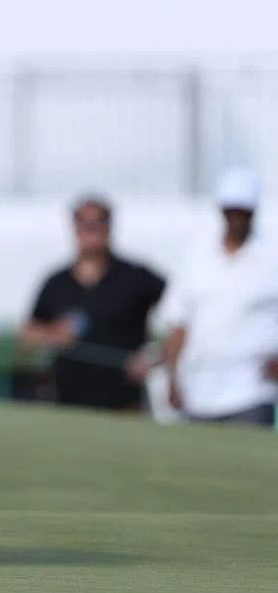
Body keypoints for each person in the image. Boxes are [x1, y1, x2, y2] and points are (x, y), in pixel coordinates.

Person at [19, 195, 167, 411]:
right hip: (67, 404)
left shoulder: (136, 278)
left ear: (109, 227)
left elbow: (183, 314)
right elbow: (27, 334)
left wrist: (155, 355)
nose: (91, 230)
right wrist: (54, 334)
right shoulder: (56, 283)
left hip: (124, 405)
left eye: (98, 223)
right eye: (84, 224)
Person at [159, 168, 278, 427]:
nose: (236, 218)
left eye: (242, 212)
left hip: (252, 393)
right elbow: (179, 322)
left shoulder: (272, 257)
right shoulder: (198, 256)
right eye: (231, 211)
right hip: (198, 393)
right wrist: (171, 378)